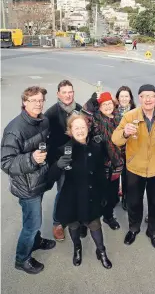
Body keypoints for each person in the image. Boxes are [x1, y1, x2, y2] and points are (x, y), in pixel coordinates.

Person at [112, 84, 155, 249]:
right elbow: (116, 139)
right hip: (135, 168)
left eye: (151, 96)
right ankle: (133, 228)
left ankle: (153, 232)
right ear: (139, 98)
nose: (148, 99)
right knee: (134, 202)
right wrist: (125, 132)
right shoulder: (130, 116)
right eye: (144, 96)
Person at [1, 86, 56, 275]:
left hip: (38, 181)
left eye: (41, 100)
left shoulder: (43, 120)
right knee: (31, 224)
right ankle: (21, 259)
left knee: (34, 219)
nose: (38, 104)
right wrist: (31, 159)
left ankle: (36, 241)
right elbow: (6, 162)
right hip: (26, 186)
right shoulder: (14, 129)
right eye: (33, 100)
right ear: (24, 102)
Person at [48, 114, 112, 269]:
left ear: (88, 128)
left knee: (95, 224)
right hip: (72, 197)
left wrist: (105, 194)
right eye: (76, 127)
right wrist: (58, 165)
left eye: (83, 127)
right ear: (70, 130)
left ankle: (101, 251)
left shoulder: (97, 146)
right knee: (74, 225)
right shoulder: (64, 149)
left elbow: (102, 172)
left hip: (92, 195)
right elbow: (50, 177)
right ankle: (77, 247)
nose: (80, 130)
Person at [45, 80, 83, 241]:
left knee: (79, 190)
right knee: (62, 192)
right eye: (64, 92)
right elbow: (47, 141)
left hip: (78, 158)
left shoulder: (80, 109)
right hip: (60, 160)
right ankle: (57, 223)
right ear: (58, 94)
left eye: (70, 92)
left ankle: (77, 218)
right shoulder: (51, 114)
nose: (68, 95)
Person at [84, 92, 124, 231]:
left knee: (113, 195)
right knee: (97, 194)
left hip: (117, 163)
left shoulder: (120, 118)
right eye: (104, 104)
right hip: (100, 164)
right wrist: (88, 105)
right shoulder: (95, 119)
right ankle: (91, 220)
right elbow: (83, 122)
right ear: (99, 107)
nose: (107, 106)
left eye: (109, 104)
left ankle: (108, 216)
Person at [115, 86, 136, 210]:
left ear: (130, 98)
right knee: (115, 174)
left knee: (128, 176)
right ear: (117, 98)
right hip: (116, 149)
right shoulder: (113, 111)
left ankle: (126, 198)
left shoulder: (135, 112)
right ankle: (114, 196)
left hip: (131, 149)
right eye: (121, 96)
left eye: (126, 96)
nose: (123, 98)